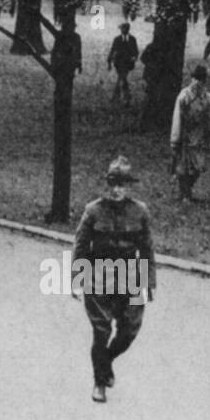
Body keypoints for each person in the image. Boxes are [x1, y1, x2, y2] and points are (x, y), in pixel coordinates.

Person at [72, 157, 155, 403]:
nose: (117, 190)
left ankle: (105, 361)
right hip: (99, 275)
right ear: (107, 185)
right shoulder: (93, 211)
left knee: (130, 329)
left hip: (130, 274)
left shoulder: (140, 211)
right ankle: (99, 383)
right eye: (113, 184)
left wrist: (148, 283)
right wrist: (77, 279)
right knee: (101, 330)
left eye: (122, 185)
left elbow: (148, 250)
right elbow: (80, 246)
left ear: (129, 186)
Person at [170, 64, 210, 201]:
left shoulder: (207, 97)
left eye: (202, 79)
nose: (198, 82)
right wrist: (175, 139)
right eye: (196, 79)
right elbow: (177, 118)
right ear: (192, 79)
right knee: (184, 168)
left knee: (199, 167)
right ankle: (184, 194)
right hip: (185, 136)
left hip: (200, 136)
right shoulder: (184, 96)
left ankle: (187, 190)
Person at [106, 22, 139, 106]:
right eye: (122, 29)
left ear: (128, 29)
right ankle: (126, 97)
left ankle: (117, 97)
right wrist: (109, 62)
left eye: (125, 29)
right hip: (118, 63)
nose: (123, 30)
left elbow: (136, 51)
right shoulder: (117, 39)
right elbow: (112, 50)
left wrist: (134, 58)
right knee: (122, 78)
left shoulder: (132, 39)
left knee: (122, 78)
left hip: (128, 63)